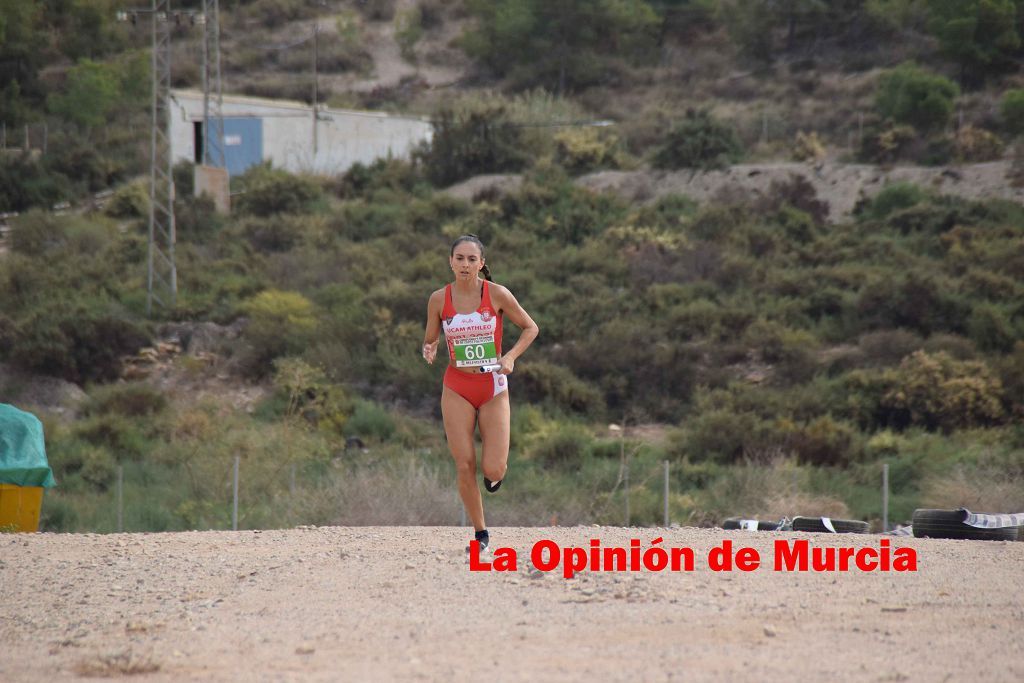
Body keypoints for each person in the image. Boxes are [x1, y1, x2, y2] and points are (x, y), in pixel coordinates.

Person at [422, 234, 539, 554]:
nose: (465, 264)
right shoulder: (438, 299)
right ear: (450, 261)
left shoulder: (497, 294)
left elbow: (531, 328)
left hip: (493, 388)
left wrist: (511, 357)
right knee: (464, 464)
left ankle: (494, 477)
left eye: (472, 259)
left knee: (493, 469)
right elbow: (431, 336)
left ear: (481, 264)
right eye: (459, 258)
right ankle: (480, 532)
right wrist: (429, 346)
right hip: (457, 386)